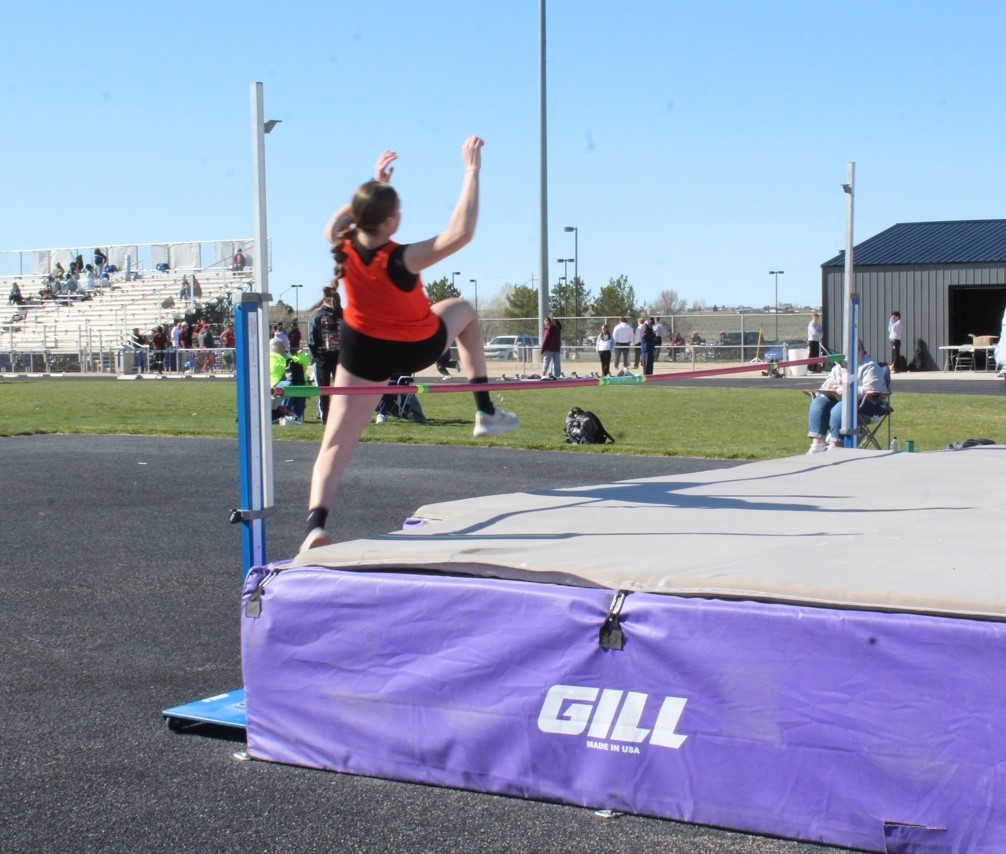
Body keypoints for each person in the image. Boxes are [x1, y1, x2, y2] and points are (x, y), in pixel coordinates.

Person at [302, 138, 519, 552]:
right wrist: (472, 170)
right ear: (388, 224)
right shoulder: (401, 259)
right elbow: (461, 233)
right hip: (414, 346)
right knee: (465, 309)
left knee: (335, 443)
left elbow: (334, 222)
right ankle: (485, 410)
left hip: (363, 354)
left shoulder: (342, 245)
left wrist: (372, 184)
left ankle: (316, 524)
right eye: (396, 211)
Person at [806, 340, 888, 454]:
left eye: (855, 351)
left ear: (862, 351)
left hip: (868, 404)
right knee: (818, 403)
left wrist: (847, 392)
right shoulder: (840, 366)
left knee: (841, 407)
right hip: (839, 400)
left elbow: (870, 389)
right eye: (847, 352)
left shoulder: (870, 366)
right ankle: (817, 445)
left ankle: (836, 445)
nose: (851, 355)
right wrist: (830, 388)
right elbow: (828, 382)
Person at [309, 287, 342, 424]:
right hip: (335, 358)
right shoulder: (342, 314)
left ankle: (327, 417)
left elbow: (312, 339)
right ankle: (335, 416)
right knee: (336, 389)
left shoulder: (318, 315)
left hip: (326, 357)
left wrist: (315, 356)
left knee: (326, 389)